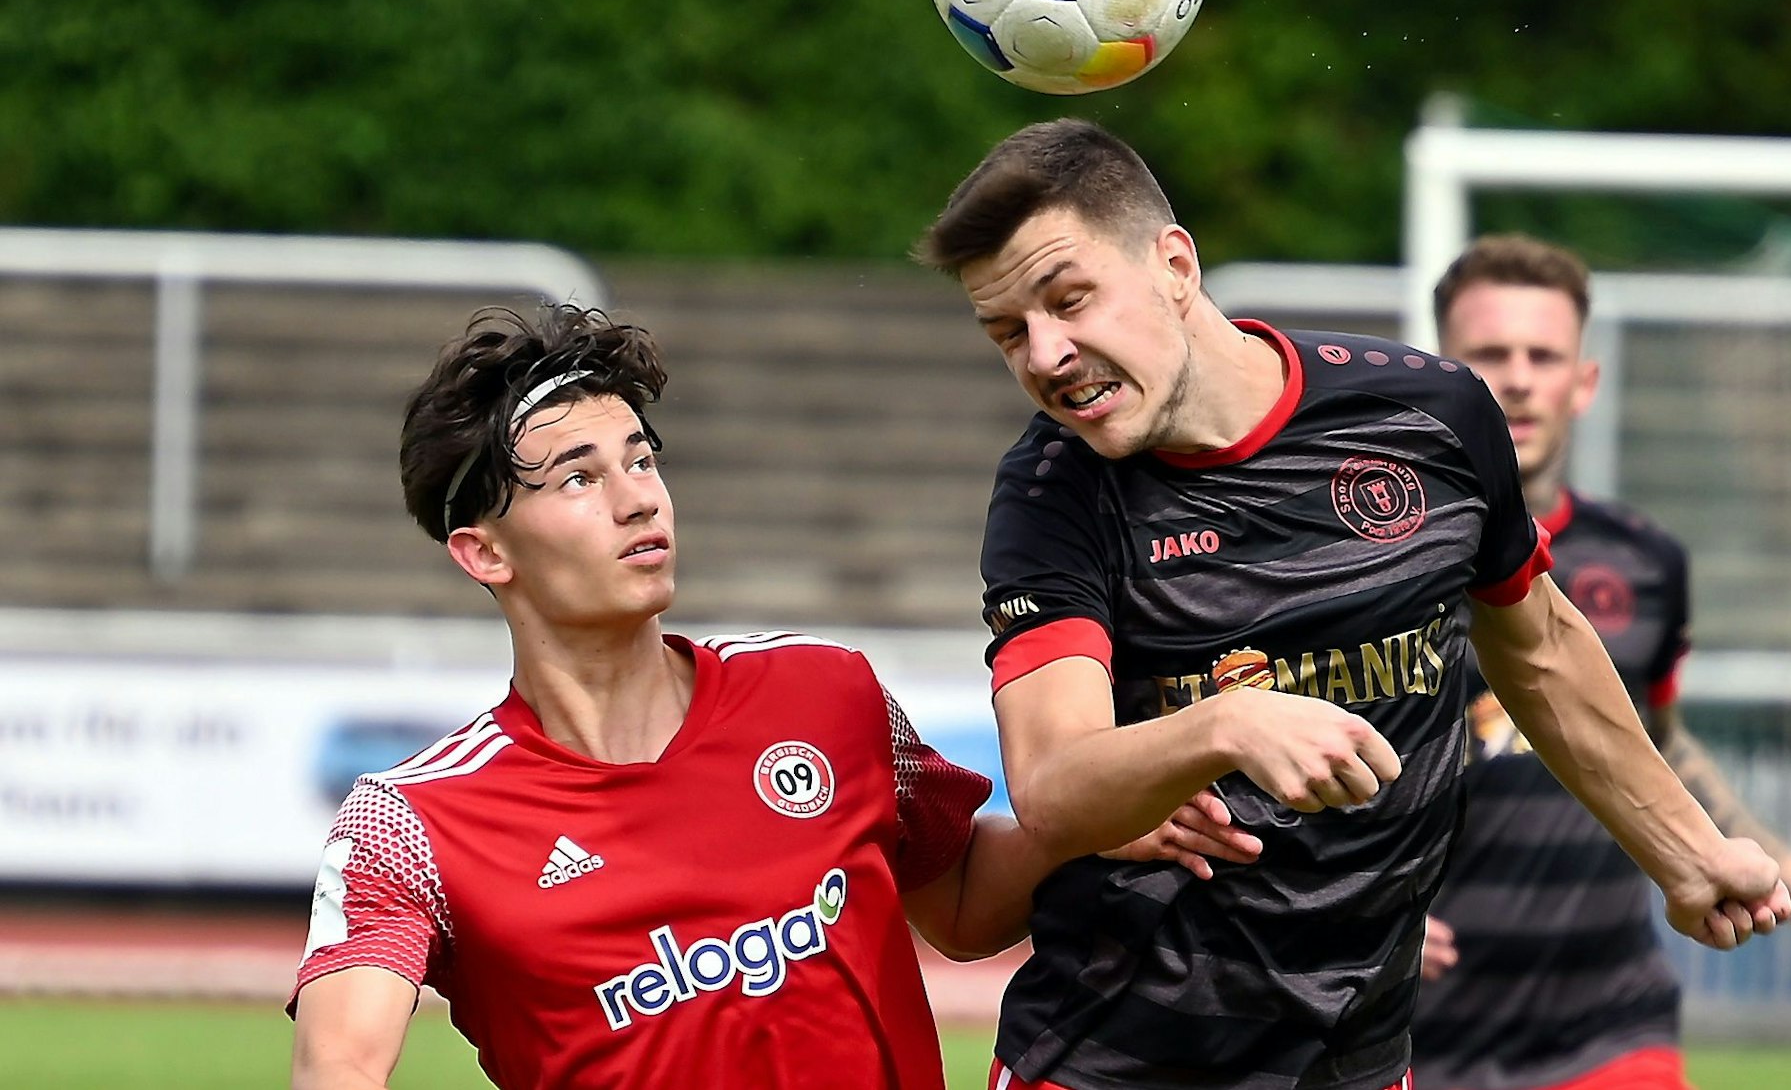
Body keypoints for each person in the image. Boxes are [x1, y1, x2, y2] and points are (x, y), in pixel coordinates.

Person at [914, 118, 1791, 1090]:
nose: (1043, 354)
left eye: (1067, 300)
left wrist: (1685, 852)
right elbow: (1049, 780)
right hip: (1114, 1059)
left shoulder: (1428, 415)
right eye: (1008, 333)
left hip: (1359, 1060)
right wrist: (1224, 724)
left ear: (1172, 264)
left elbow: (1537, 647)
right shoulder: (1053, 490)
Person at [285, 305, 1249, 1090]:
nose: (638, 498)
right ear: (484, 551)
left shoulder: (824, 690)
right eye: (579, 477)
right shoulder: (409, 822)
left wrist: (1094, 812)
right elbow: (341, 1063)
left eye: (642, 458)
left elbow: (958, 906)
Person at [1412, 234, 1791, 1090]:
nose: (1520, 377)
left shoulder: (1645, 561)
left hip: (1608, 1030)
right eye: (1490, 355)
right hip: (1406, 1036)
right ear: (1444, 372)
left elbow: (1664, 745)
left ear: (1585, 382)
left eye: (1544, 354)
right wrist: (1356, 912)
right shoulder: (1365, 554)